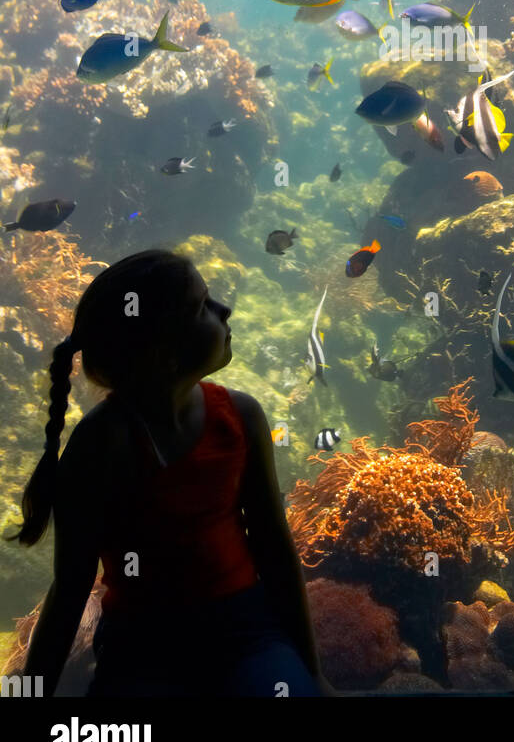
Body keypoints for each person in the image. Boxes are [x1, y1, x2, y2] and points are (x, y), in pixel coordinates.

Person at [9, 249, 330, 697]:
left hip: (247, 632)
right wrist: (32, 692)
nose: (225, 309)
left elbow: (275, 547)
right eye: (203, 306)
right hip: (141, 644)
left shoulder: (241, 417)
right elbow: (70, 589)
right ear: (165, 353)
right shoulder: (100, 445)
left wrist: (312, 672)